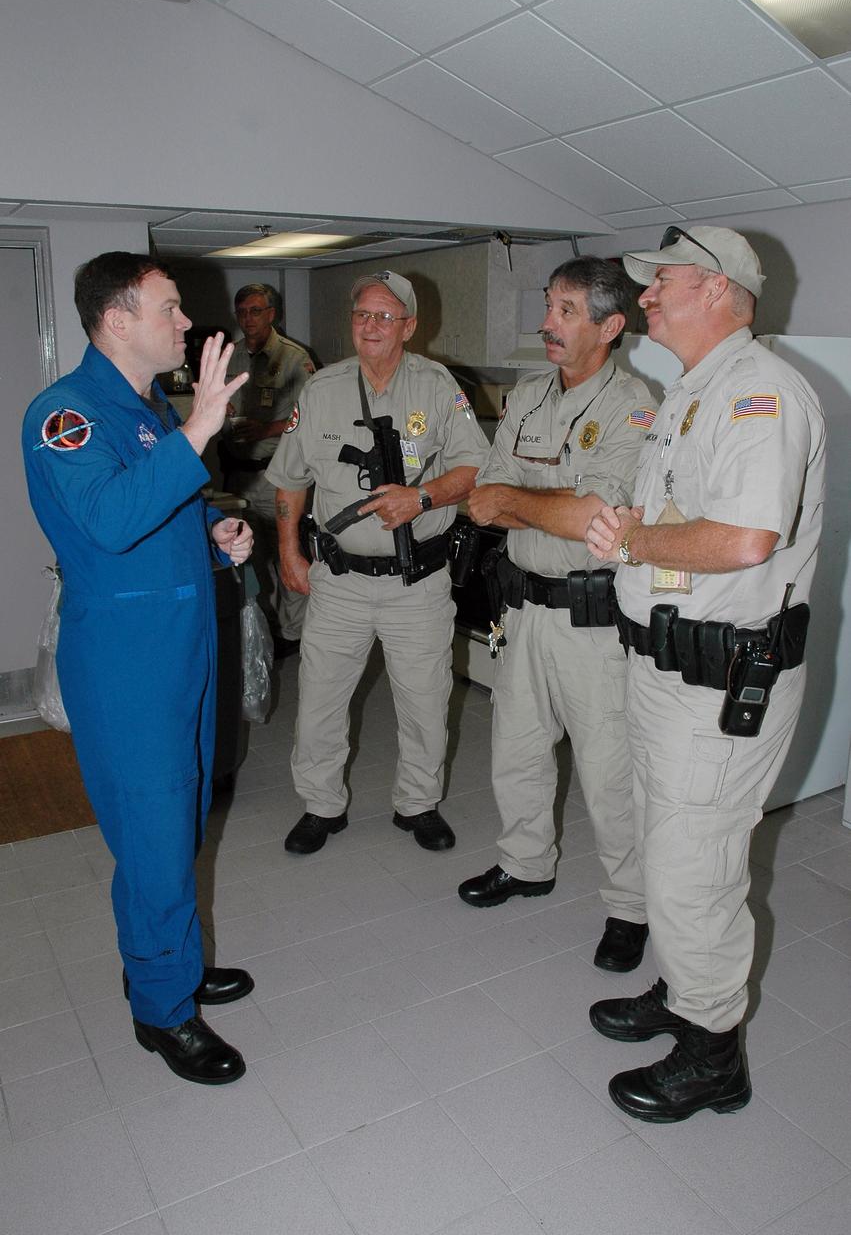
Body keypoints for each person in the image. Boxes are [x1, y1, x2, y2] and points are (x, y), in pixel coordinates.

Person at [585, 226, 825, 1123]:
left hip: (718, 683)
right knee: (665, 845)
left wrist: (636, 539)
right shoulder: (695, 393)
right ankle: (684, 992)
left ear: (720, 290)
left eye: (662, 283)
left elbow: (743, 540)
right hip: (666, 670)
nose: (644, 297)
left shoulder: (759, 393)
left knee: (696, 867)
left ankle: (712, 1052)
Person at [22, 252, 256, 1086]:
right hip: (127, 668)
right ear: (117, 319)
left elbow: (156, 522)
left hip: (180, 647)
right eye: (170, 309)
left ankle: (166, 961)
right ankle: (163, 1010)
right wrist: (202, 424)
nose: (187, 323)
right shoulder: (65, 415)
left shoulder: (145, 406)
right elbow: (111, 521)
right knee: (156, 837)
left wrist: (212, 543)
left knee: (181, 822)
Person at [457, 258, 655, 975]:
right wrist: (544, 501)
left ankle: (630, 906)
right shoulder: (526, 397)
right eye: (549, 306)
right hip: (524, 608)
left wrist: (525, 500)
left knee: (608, 771)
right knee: (514, 750)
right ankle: (524, 863)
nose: (547, 322)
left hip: (593, 622)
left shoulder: (633, 407)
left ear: (608, 326)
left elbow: (591, 519)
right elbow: (481, 496)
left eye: (566, 310)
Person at [267, 269, 491, 855]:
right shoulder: (321, 390)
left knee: (423, 700)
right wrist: (288, 549)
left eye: (384, 316)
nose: (370, 326)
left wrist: (420, 497)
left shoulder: (439, 388)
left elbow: (476, 469)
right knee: (318, 701)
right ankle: (320, 805)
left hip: (416, 581)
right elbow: (290, 481)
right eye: (362, 314)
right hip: (337, 579)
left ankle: (418, 803)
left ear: (410, 326)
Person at [222, 282, 312, 654]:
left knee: (288, 555)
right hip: (238, 477)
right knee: (253, 564)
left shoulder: (294, 359)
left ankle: (292, 635)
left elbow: (308, 415)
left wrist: (267, 428)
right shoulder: (232, 357)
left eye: (255, 311)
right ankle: (268, 630)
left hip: (277, 476)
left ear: (271, 314)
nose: (248, 319)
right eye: (242, 312)